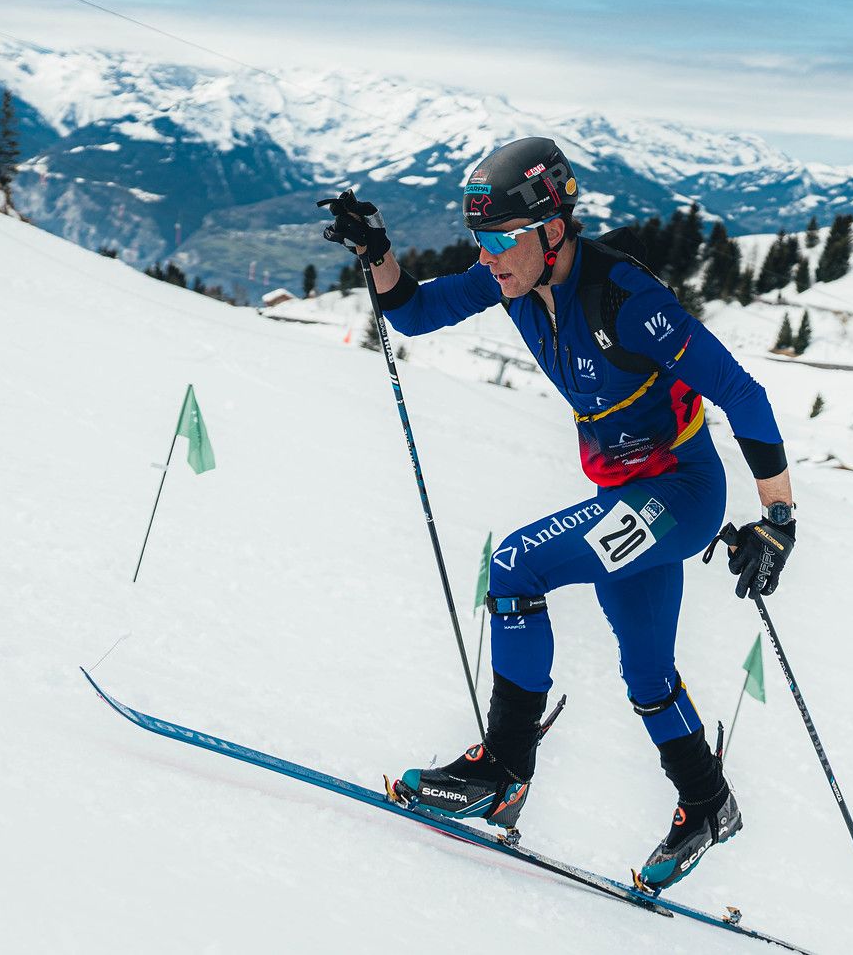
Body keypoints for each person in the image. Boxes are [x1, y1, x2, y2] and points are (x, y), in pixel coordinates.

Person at [318, 137, 796, 891]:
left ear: (552, 227)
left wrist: (778, 517)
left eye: (504, 237)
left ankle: (504, 766)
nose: (490, 255)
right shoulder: (510, 281)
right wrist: (377, 251)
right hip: (625, 497)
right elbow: (410, 311)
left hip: (680, 492)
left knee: (515, 563)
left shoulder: (626, 300)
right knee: (646, 671)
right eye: (482, 238)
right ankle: (707, 801)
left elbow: (744, 394)